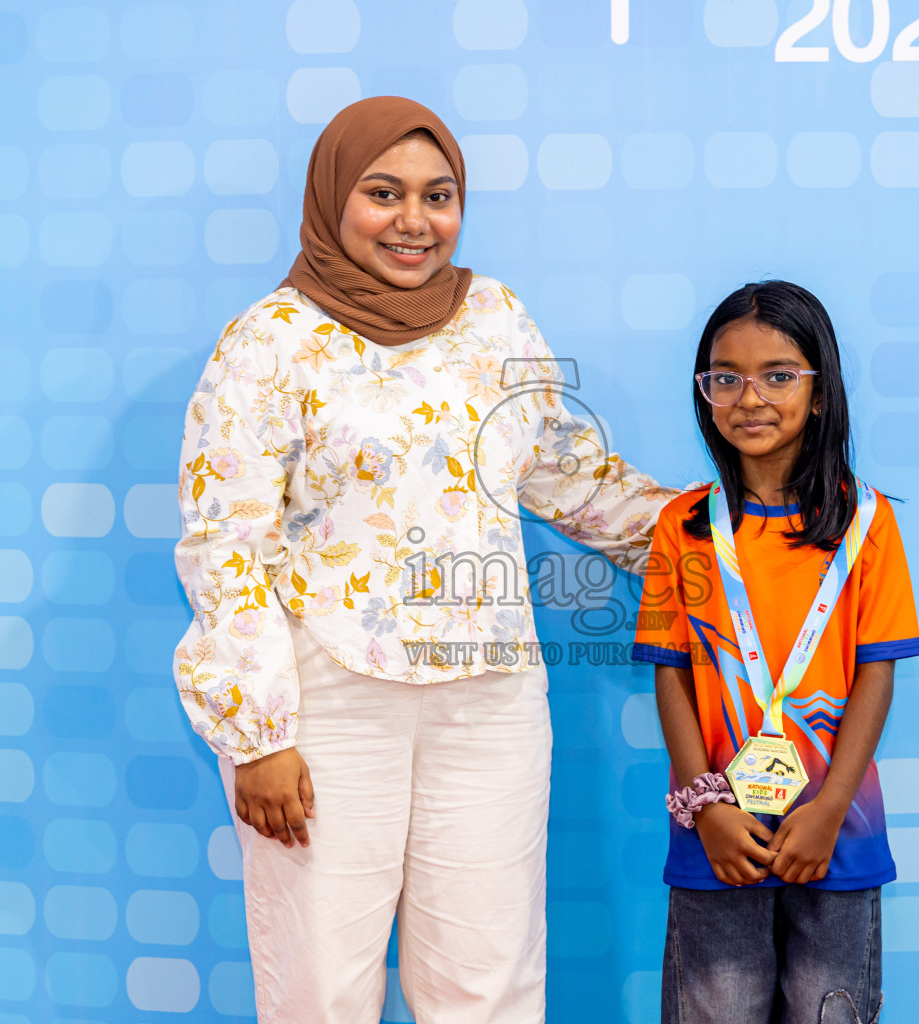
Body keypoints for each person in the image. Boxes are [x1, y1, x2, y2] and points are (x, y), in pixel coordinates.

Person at [172, 96, 678, 1024]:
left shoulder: (494, 317)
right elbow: (226, 543)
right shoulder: (269, 343)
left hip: (489, 695)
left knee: (491, 978)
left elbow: (565, 471)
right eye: (384, 193)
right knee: (320, 983)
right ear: (334, 198)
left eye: (438, 196)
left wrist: (731, 533)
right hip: (326, 701)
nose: (416, 222)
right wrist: (258, 734)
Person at [632, 281, 919, 1024]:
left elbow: (874, 679)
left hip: (837, 837)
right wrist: (707, 810)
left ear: (819, 392)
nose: (749, 397)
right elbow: (672, 680)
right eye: (725, 377)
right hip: (718, 840)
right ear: (704, 393)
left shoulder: (868, 524)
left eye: (778, 376)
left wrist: (828, 809)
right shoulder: (684, 527)